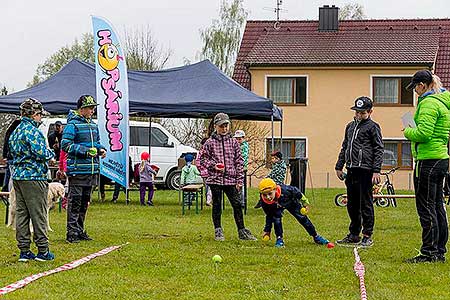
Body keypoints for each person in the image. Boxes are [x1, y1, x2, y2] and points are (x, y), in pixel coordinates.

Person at [403, 70, 450, 263]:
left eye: (415, 86)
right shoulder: (441, 101)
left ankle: (429, 252)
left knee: (426, 207)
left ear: (423, 85)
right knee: (437, 204)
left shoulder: (429, 103)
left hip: (428, 160)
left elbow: (423, 134)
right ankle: (439, 250)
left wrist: (407, 131)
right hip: (440, 158)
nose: (415, 91)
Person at [9, 98, 55, 261]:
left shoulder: (16, 131)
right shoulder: (32, 131)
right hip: (34, 177)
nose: (41, 118)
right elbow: (41, 153)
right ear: (34, 114)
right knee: (39, 213)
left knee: (22, 214)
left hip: (18, 177)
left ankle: (24, 250)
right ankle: (43, 250)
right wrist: (52, 154)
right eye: (40, 115)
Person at [335, 96, 383, 248]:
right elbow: (345, 146)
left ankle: (367, 235)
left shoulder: (373, 127)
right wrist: (339, 165)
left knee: (366, 203)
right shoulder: (350, 126)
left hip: (366, 170)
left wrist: (376, 171)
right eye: (357, 112)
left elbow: (378, 149)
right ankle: (354, 234)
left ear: (370, 112)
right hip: (351, 169)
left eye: (363, 113)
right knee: (352, 204)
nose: (359, 115)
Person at [200, 112, 257, 241]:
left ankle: (242, 231)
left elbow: (239, 162)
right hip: (215, 180)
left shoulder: (234, 143)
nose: (224, 129)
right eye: (221, 126)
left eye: (226, 126)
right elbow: (202, 160)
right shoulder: (209, 143)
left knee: (237, 204)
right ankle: (218, 230)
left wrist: (239, 180)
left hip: (231, 180)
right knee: (217, 205)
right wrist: (214, 166)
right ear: (215, 126)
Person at [61, 95, 106, 243]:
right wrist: (86, 151)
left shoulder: (93, 125)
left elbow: (97, 143)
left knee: (85, 202)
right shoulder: (72, 125)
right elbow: (66, 145)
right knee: (75, 202)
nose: (93, 110)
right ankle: (71, 233)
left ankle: (80, 230)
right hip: (77, 170)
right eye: (90, 107)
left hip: (91, 170)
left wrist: (101, 149)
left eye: (93, 107)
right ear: (82, 109)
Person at [258, 178, 330, 248]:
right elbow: (269, 215)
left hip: (291, 202)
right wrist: (267, 230)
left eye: (270, 194)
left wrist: (305, 203)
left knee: (302, 218)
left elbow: (297, 193)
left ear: (275, 189)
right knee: (276, 220)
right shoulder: (264, 202)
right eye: (264, 195)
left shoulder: (286, 190)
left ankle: (316, 236)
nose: (268, 197)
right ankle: (279, 239)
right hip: (276, 207)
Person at [2, 118, 21, 192]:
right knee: (12, 177)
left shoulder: (9, 131)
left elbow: (5, 144)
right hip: (13, 157)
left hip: (9, 157)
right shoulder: (15, 133)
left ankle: (5, 189)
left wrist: (5, 155)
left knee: (8, 175)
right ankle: (10, 191)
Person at [234, 130, 249, 208]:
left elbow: (242, 158)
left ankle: (242, 202)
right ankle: (239, 201)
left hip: (241, 168)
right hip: (237, 168)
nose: (238, 141)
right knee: (237, 185)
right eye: (236, 139)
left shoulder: (244, 146)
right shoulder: (237, 146)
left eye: (239, 139)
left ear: (243, 138)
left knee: (240, 185)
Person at [196, 137, 212, 206]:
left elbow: (197, 162)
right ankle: (209, 200)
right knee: (210, 187)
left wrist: (201, 170)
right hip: (209, 172)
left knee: (207, 187)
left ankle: (208, 200)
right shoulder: (208, 151)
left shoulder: (200, 151)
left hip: (204, 173)